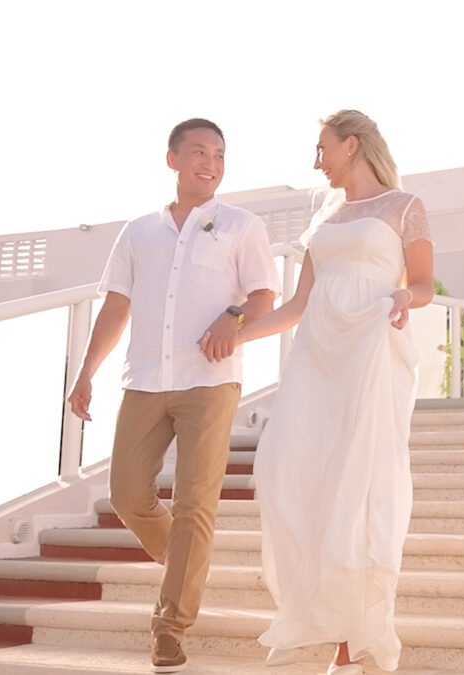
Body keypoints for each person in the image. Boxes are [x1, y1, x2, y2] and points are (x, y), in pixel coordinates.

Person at [67, 118, 281, 674]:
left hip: (210, 381)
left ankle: (170, 625)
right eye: (199, 153)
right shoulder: (138, 232)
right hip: (144, 379)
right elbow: (117, 306)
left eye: (219, 155)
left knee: (195, 504)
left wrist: (230, 317)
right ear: (172, 160)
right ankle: (187, 567)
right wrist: (87, 371)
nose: (210, 163)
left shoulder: (241, 226)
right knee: (127, 494)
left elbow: (263, 295)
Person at [234, 110, 434, 675]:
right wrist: (237, 336)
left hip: (370, 346)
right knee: (282, 469)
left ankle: (352, 641)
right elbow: (297, 306)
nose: (315, 159)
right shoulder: (326, 215)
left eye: (321, 148)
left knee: (357, 485)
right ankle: (318, 612)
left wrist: (403, 300)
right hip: (316, 355)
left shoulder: (405, 208)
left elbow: (421, 283)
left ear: (351, 146)